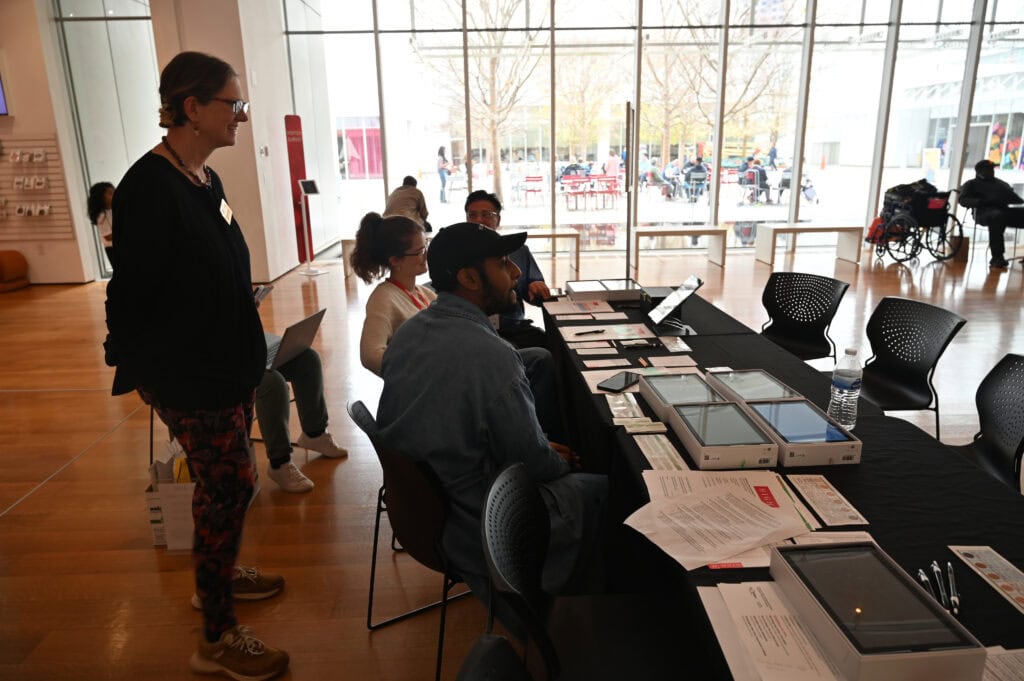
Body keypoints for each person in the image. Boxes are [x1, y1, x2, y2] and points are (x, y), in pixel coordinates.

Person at [102, 51, 289, 680]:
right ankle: (215, 635)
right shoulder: (149, 190)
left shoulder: (204, 178)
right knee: (230, 484)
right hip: (191, 374)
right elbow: (131, 296)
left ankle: (218, 574)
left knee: (228, 486)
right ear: (191, 107)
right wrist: (150, 371)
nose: (240, 114)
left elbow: (212, 266)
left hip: (225, 362)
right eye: (231, 103)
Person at [376, 222, 607, 605]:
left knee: (535, 362)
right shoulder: (491, 356)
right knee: (604, 488)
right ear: (469, 277)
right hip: (480, 522)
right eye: (503, 264)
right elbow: (537, 465)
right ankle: (577, 616)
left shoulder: (411, 331)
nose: (516, 273)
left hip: (421, 513)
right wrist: (569, 461)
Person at [351, 212, 435, 376]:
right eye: (419, 252)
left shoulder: (425, 293)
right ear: (395, 260)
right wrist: (420, 370)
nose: (426, 255)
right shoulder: (383, 298)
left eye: (425, 247)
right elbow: (370, 354)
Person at [256, 345, 348, 494]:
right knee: (273, 383)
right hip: (219, 359)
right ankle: (279, 463)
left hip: (251, 348)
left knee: (308, 359)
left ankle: (314, 434)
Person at [464, 190, 549, 348]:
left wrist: (536, 286)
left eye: (486, 214)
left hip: (513, 328)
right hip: (472, 331)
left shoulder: (518, 251)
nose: (479, 220)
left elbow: (534, 288)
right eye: (472, 215)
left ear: (498, 219)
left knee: (549, 345)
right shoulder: (459, 255)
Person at [959, 159, 1024, 268]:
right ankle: (997, 257)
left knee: (1004, 214)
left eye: (992, 169)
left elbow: (1014, 198)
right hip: (983, 212)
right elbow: (963, 200)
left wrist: (1010, 198)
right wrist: (981, 202)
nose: (991, 171)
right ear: (980, 171)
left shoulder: (1001, 183)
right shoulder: (971, 184)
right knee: (997, 216)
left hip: (1003, 210)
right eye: (988, 169)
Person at [88, 181, 116, 265]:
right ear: (100, 198)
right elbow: (108, 236)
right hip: (113, 249)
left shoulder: (111, 210)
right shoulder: (102, 216)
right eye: (110, 194)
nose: (115, 195)